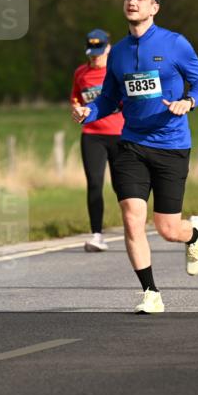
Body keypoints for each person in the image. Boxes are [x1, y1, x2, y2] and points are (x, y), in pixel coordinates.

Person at [73, 0, 198, 314]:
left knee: (167, 228)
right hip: (132, 144)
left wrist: (188, 101)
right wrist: (88, 111)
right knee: (133, 218)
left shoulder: (175, 44)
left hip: (171, 144)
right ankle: (150, 292)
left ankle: (193, 235)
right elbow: (109, 98)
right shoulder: (118, 52)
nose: (132, 2)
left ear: (154, 8)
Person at [70, 29, 124, 251]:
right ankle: (96, 235)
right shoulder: (80, 73)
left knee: (123, 186)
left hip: (119, 134)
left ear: (109, 48)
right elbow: (75, 97)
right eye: (92, 52)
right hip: (92, 135)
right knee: (94, 184)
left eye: (100, 52)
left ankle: (133, 228)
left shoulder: (116, 71)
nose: (95, 57)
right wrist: (76, 108)